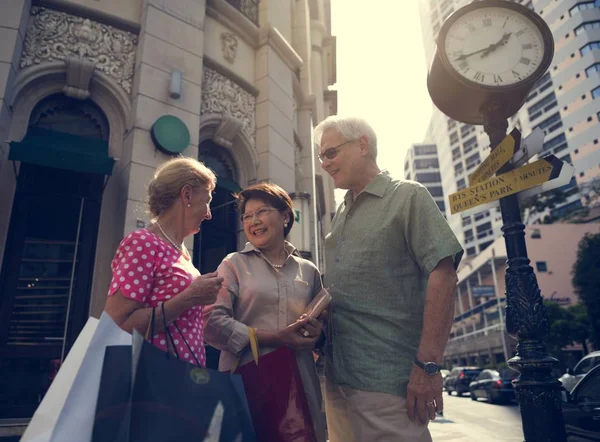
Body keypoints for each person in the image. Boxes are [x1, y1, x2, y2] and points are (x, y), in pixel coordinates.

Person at [314, 116, 463, 442]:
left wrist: (428, 367)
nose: (324, 163)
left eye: (330, 153)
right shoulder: (341, 212)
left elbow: (445, 276)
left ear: (363, 145)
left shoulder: (408, 196)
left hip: (387, 382)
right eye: (321, 156)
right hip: (338, 378)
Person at [203, 182, 327, 442]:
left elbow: (324, 334)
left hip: (300, 387)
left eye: (261, 212)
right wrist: (274, 337)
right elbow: (212, 323)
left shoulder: (309, 271)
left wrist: (318, 333)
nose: (254, 221)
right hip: (246, 383)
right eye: (247, 216)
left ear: (285, 216)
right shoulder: (233, 264)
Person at [104, 157, 224, 366]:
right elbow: (118, 325)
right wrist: (190, 297)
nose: (208, 214)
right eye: (207, 202)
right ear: (186, 194)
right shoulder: (143, 243)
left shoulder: (180, 251)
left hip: (177, 382)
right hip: (152, 382)